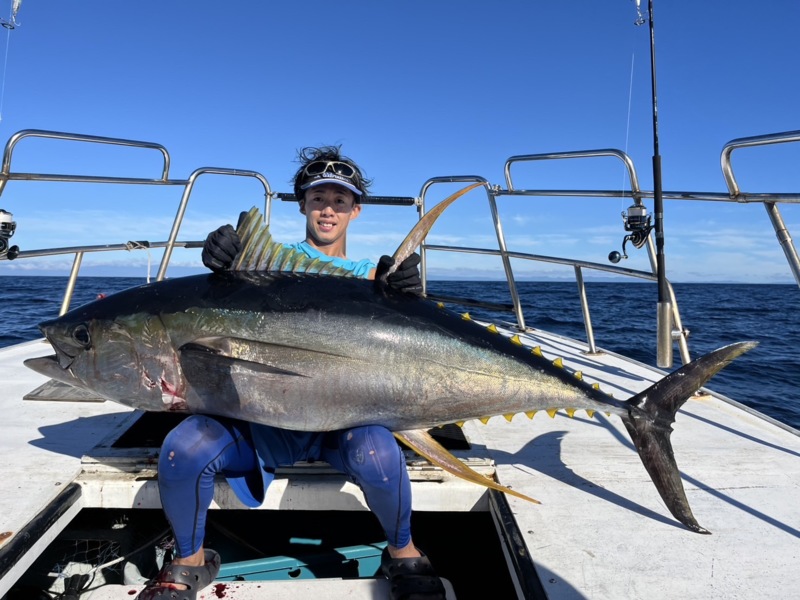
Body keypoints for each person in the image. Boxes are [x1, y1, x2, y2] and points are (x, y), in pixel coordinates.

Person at [137, 146, 445, 600]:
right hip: (264, 420)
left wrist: (404, 290)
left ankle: (404, 554)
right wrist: (226, 265)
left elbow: (408, 336)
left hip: (346, 421)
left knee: (380, 455)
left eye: (340, 201)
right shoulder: (264, 266)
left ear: (355, 211)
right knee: (184, 449)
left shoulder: (371, 275)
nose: (328, 209)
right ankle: (190, 562)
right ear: (301, 203)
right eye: (318, 198)